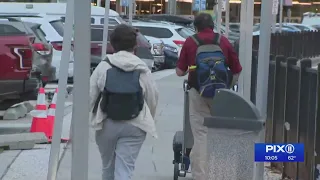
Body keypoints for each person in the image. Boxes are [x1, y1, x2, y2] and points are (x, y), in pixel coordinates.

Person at [176, 13, 242, 180]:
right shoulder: (223, 41)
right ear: (213, 26)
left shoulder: (191, 42)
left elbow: (179, 72)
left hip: (198, 93)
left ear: (195, 27)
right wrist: (227, 85)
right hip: (222, 95)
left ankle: (201, 175)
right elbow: (237, 69)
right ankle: (220, 172)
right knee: (220, 132)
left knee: (201, 134)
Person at [89, 24, 159, 180]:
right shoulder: (142, 68)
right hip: (135, 123)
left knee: (107, 168)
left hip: (106, 122)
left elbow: (90, 95)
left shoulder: (104, 66)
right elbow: (153, 96)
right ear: (135, 45)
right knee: (125, 170)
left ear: (112, 44)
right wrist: (149, 118)